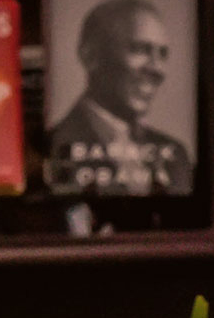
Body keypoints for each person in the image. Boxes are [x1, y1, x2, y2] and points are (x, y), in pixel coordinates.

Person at [45, 0, 193, 197]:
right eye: (140, 49)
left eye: (162, 54)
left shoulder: (176, 155)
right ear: (90, 56)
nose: (157, 69)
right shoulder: (53, 147)